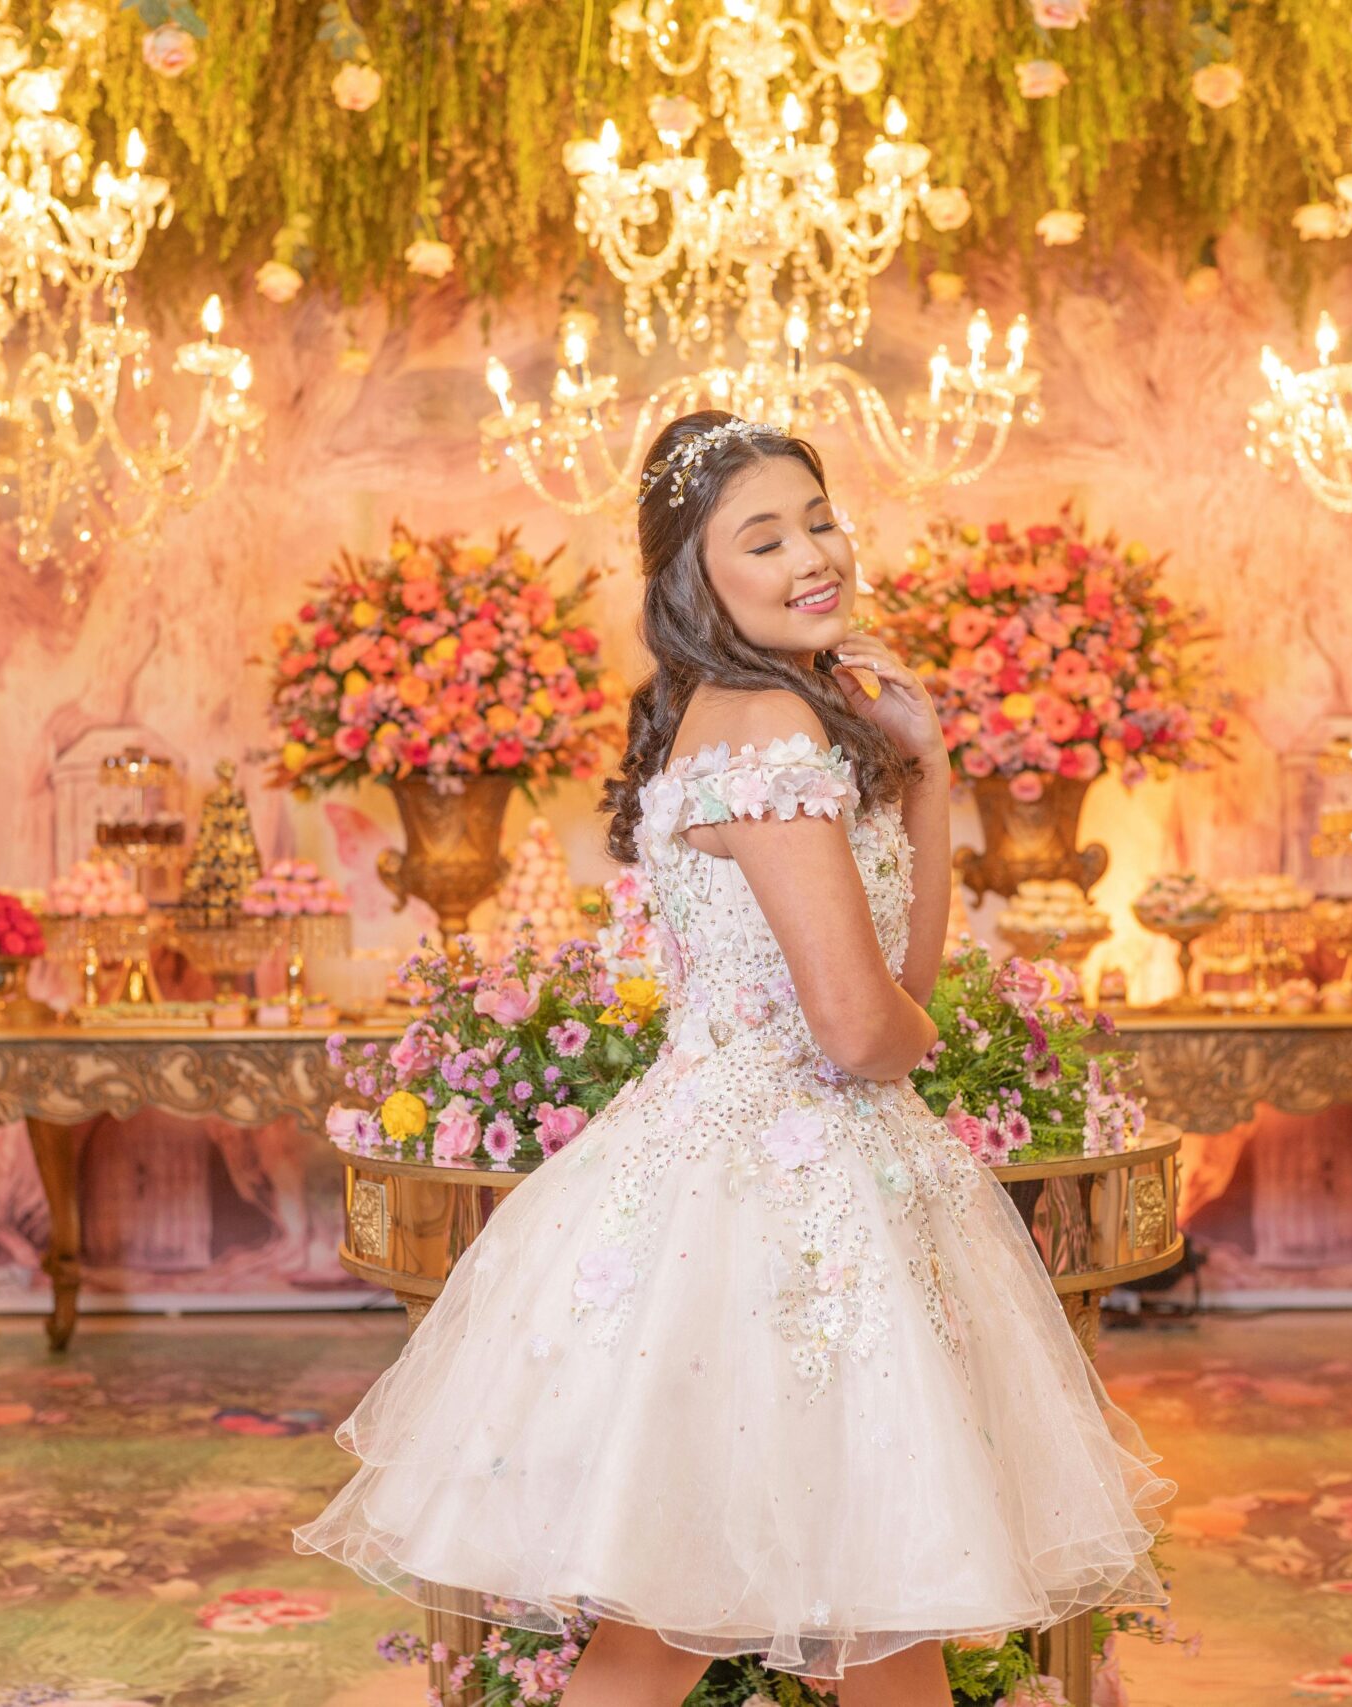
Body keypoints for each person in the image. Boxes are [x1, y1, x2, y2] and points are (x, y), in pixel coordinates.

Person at [294, 412, 1170, 1705]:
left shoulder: (745, 718)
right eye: (765, 537)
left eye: (819, 519)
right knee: (755, 1632)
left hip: (778, 1177)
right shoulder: (764, 732)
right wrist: (900, 1035)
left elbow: (898, 990)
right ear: (697, 580)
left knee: (754, 1632)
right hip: (780, 1212)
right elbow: (868, 1027)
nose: (817, 555)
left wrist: (927, 779)